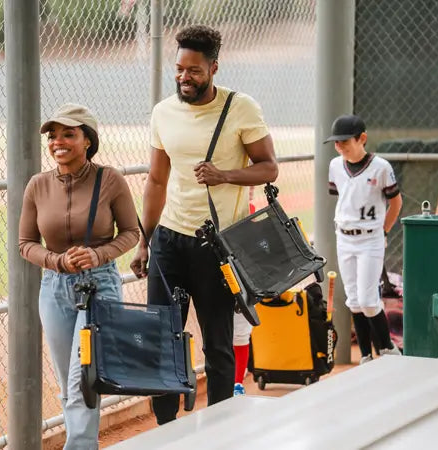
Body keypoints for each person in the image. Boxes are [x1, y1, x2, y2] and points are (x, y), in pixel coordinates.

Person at [130, 25, 279, 424]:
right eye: (179, 69)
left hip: (216, 246)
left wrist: (225, 175)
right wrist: (145, 241)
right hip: (168, 241)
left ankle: (220, 430)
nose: (184, 77)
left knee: (218, 344)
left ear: (214, 67)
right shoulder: (163, 112)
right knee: (163, 340)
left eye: (193, 70)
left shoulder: (240, 108)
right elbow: (157, 180)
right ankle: (165, 427)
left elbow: (269, 168)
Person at [18, 103, 141, 449]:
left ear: (88, 140)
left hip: (99, 285)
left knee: (81, 381)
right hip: (54, 289)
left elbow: (131, 232)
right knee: (68, 381)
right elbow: (25, 243)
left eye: (68, 134)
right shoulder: (37, 185)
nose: (58, 141)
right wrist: (57, 262)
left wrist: (98, 254)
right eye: (53, 135)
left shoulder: (110, 179)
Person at [325, 114, 403, 362]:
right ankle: (367, 356)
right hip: (344, 237)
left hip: (370, 238)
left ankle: (389, 349)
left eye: (345, 141)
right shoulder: (336, 166)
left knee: (369, 301)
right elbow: (343, 196)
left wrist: (384, 231)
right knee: (355, 301)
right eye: (336, 143)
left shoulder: (381, 167)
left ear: (362, 138)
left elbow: (396, 202)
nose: (340, 147)